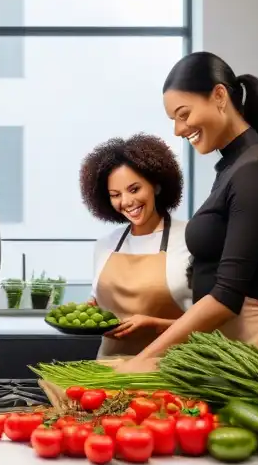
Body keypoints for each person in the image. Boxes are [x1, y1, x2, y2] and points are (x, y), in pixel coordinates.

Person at [116, 51, 258, 373]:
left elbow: (229, 297)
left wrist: (142, 360)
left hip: (245, 352)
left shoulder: (254, 169)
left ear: (219, 96)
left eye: (183, 114)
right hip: (223, 348)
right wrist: (160, 324)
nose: (177, 129)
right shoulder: (234, 166)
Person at [79, 134, 191, 359]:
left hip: (173, 373)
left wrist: (155, 324)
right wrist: (92, 307)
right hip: (110, 370)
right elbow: (99, 301)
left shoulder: (190, 238)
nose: (127, 202)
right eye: (115, 195)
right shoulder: (105, 246)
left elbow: (213, 322)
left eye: (134, 189)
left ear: (156, 185)